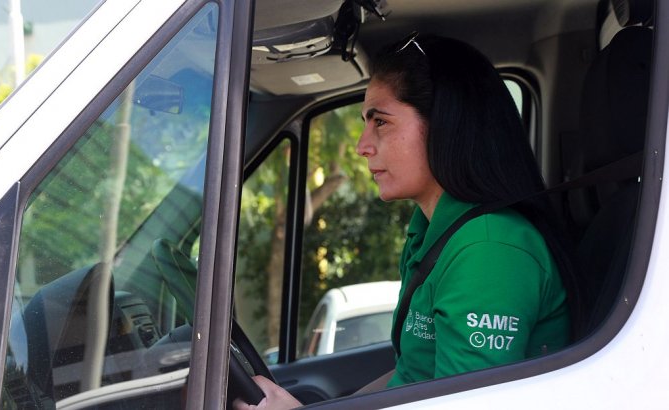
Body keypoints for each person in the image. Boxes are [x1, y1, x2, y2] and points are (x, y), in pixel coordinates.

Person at [233, 32, 582, 410]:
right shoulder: (434, 232)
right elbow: (413, 375)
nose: (362, 145)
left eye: (380, 122)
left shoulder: (489, 249)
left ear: (445, 126)